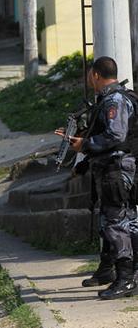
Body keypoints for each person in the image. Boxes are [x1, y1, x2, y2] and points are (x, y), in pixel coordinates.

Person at [57, 57, 137, 299]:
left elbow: (115, 135)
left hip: (117, 170)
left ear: (95, 75)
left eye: (89, 75)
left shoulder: (114, 100)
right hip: (116, 169)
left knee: (115, 224)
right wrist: (80, 141)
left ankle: (125, 279)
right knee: (125, 222)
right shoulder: (112, 99)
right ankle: (123, 275)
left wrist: (85, 144)